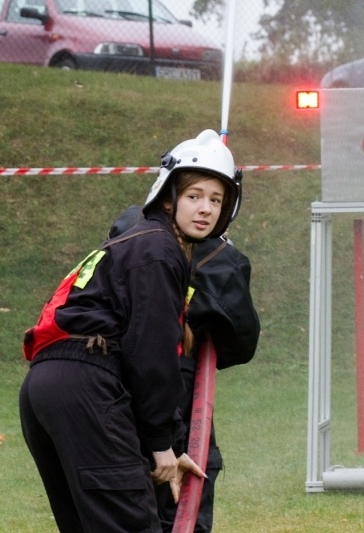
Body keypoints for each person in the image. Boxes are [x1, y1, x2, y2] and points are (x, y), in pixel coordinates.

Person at [19, 129, 242, 532]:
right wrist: (162, 448)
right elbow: (151, 355)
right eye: (194, 197)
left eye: (215, 199)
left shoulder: (138, 240)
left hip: (47, 386)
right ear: (169, 196)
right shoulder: (159, 251)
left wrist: (173, 445)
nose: (205, 209)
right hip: (84, 383)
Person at [107, 203, 260, 532]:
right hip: (174, 394)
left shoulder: (129, 225)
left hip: (112, 389)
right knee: (182, 498)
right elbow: (240, 343)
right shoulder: (221, 259)